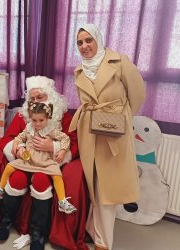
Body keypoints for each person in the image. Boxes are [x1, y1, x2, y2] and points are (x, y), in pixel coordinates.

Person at [0, 75, 89, 250]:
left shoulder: (64, 117)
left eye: (41, 97)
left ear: (50, 96)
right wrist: (19, 148)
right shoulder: (24, 117)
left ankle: (38, 232)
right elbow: (10, 138)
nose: (37, 101)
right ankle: (6, 221)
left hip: (47, 164)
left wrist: (53, 147)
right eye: (33, 98)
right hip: (26, 161)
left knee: (41, 182)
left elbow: (74, 143)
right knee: (16, 180)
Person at [69, 24, 146, 250]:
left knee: (108, 189)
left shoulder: (120, 62)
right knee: (94, 185)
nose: (84, 46)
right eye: (80, 42)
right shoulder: (79, 70)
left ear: (98, 39)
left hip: (115, 134)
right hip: (89, 133)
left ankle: (104, 242)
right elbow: (86, 103)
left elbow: (137, 96)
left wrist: (119, 117)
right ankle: (93, 229)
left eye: (88, 40)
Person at [0, 101, 77, 214]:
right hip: (29, 160)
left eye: (41, 120)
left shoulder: (51, 130)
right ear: (30, 118)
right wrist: (16, 145)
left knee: (57, 175)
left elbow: (65, 139)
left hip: (44, 161)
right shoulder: (29, 128)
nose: (38, 124)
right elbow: (19, 137)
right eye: (34, 120)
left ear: (47, 118)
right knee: (10, 167)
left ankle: (62, 201)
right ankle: (0, 188)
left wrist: (62, 151)